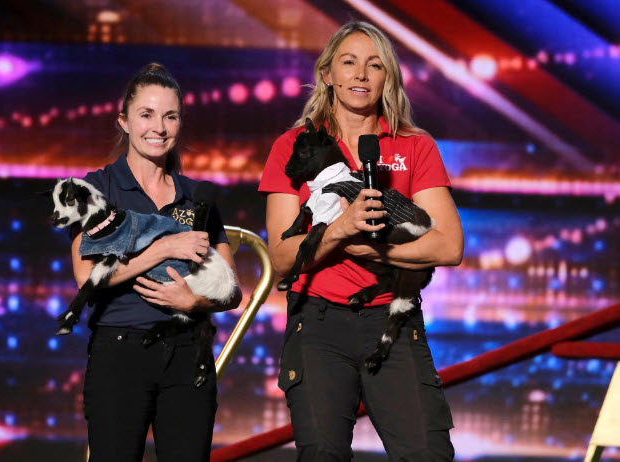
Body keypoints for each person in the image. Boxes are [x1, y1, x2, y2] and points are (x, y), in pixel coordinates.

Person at [259, 22, 463, 461]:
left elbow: (449, 246)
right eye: (348, 63)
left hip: (391, 319)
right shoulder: (292, 146)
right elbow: (280, 259)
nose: (361, 75)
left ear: (388, 77)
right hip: (316, 324)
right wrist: (341, 229)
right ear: (327, 73)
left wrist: (374, 250)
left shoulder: (414, 146)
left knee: (428, 453)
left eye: (375, 65)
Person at [70, 63, 242, 462]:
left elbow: (232, 289)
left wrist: (194, 302)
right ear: (124, 121)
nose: (159, 127)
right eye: (146, 114)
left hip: (188, 355)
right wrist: (165, 248)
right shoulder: (96, 189)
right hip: (120, 353)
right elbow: (86, 277)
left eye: (170, 116)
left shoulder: (196, 197)